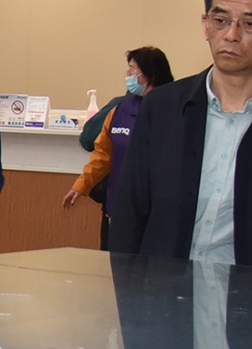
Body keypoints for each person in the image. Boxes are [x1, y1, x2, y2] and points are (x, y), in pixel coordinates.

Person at [108, 0, 252, 271]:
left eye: (251, 24)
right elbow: (130, 214)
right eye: (221, 20)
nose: (231, 35)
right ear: (205, 25)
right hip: (162, 292)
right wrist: (129, 291)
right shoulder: (162, 108)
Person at [65, 46, 175, 246]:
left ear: (149, 75)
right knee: (114, 263)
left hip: (159, 215)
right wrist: (81, 185)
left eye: (132, 70)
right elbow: (103, 154)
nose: (128, 75)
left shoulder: (174, 111)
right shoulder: (120, 110)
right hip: (119, 210)